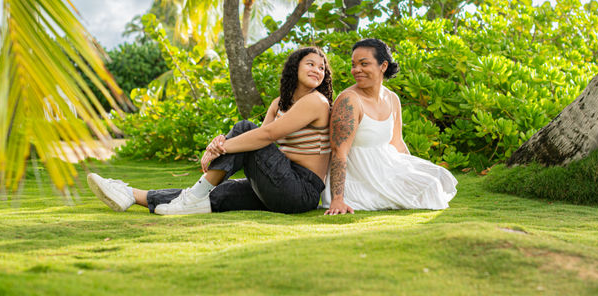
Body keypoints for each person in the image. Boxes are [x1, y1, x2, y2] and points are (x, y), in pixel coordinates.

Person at [87, 46, 332, 215]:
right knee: (217, 194)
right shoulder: (278, 104)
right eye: (310, 64)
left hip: (301, 190)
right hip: (280, 181)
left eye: (321, 68)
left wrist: (220, 147)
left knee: (246, 128)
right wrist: (223, 142)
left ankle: (194, 194)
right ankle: (130, 194)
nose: (317, 70)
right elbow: (256, 142)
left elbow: (264, 137)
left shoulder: (316, 101)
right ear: (294, 68)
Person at [323, 38, 458, 215]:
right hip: (361, 177)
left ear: (383, 66)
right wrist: (337, 200)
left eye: (364, 64)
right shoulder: (349, 100)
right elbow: (338, 151)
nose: (356, 70)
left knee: (435, 180)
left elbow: (397, 143)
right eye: (354, 64)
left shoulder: (392, 98)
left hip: (386, 166)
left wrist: (412, 169)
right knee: (429, 188)